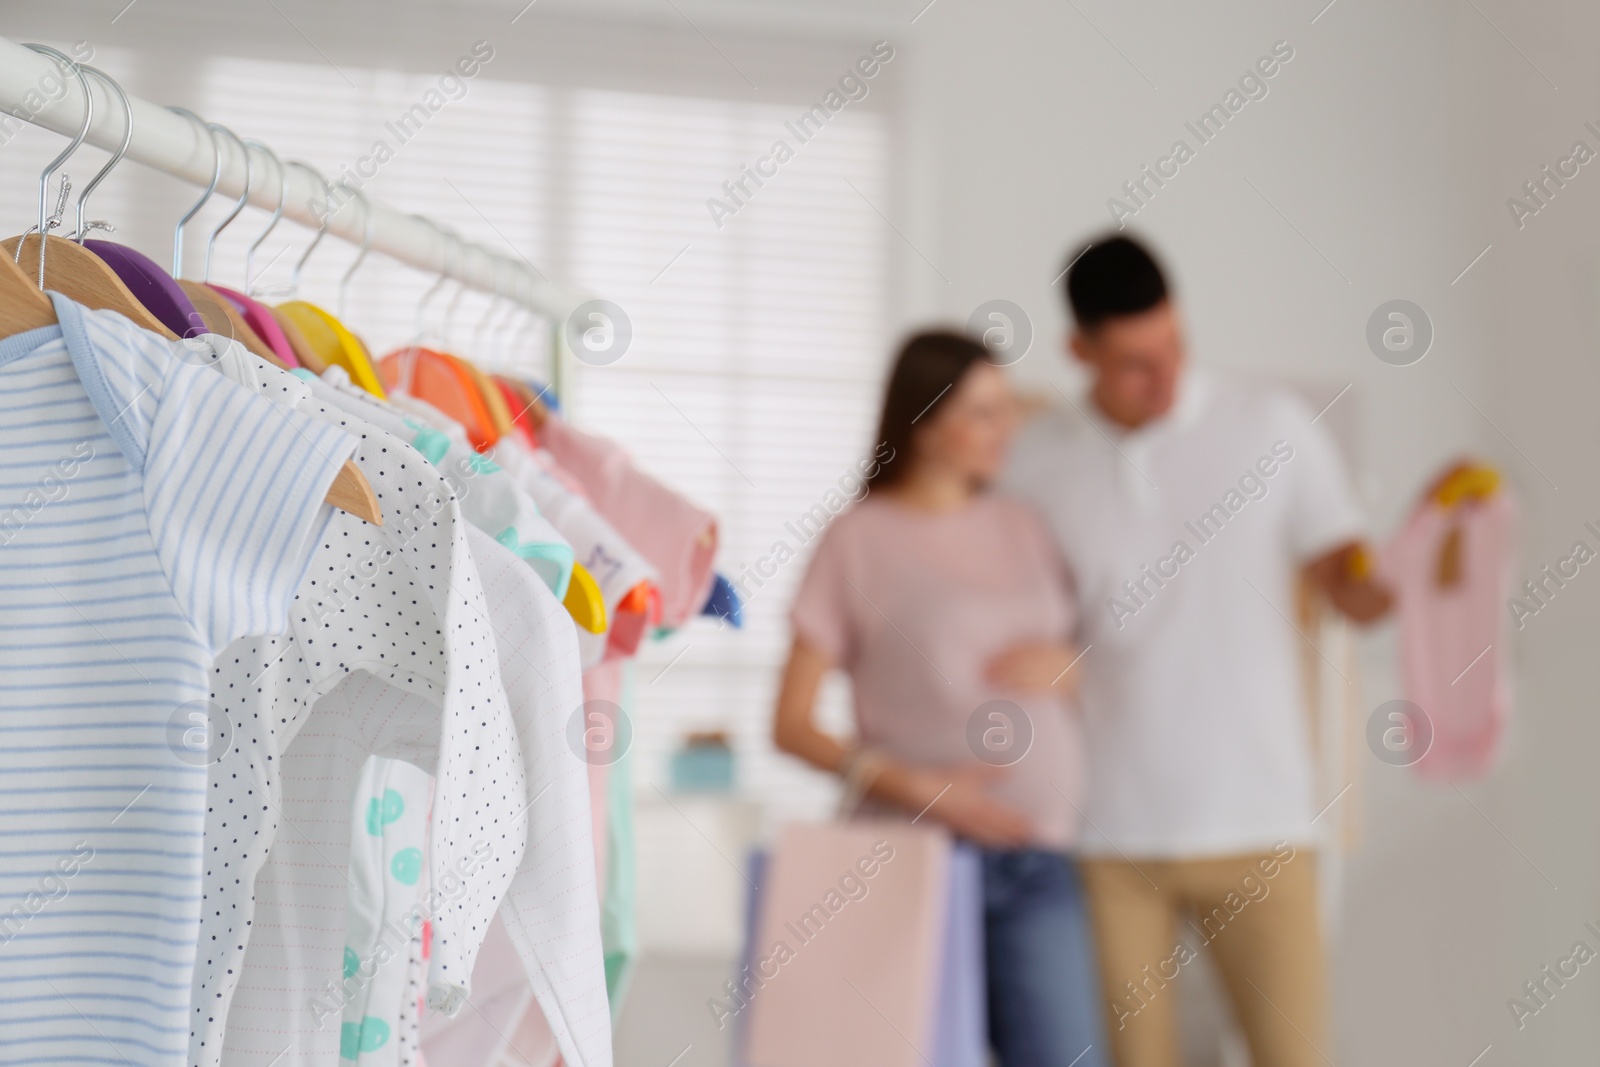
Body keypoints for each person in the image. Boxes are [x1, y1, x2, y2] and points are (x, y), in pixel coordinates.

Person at [1004, 235, 1392, 1067]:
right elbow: (1013, 611)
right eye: (1137, 364)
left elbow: (1348, 581)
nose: (1168, 377)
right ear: (1080, 353)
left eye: (1176, 346)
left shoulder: (1271, 426)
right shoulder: (1033, 462)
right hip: (1110, 838)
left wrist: (1405, 577)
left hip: (1263, 825)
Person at [773, 331, 1107, 1067]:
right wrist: (921, 787)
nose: (1006, 429)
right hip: (909, 853)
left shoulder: (1024, 522)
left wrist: (1072, 665)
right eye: (981, 413)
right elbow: (790, 724)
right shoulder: (857, 539)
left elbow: (1093, 659)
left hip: (1037, 854)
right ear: (924, 424)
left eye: (1006, 408)